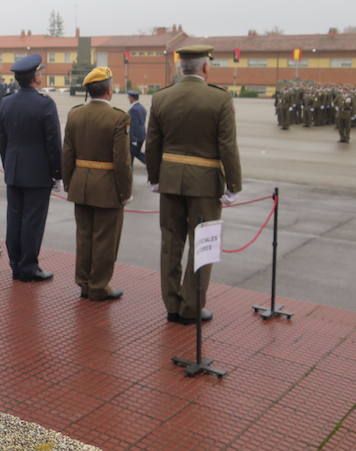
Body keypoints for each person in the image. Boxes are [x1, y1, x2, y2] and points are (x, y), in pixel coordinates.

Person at [146, 45, 242, 325]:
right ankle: (192, 307)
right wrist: (233, 184)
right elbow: (227, 145)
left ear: (180, 68)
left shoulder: (162, 97)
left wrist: (155, 177)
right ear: (205, 67)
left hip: (171, 181)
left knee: (170, 244)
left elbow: (152, 143)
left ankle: (172, 304)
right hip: (205, 184)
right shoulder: (219, 99)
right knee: (203, 244)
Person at [62, 67, 131, 300]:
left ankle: (83, 282)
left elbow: (68, 153)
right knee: (105, 239)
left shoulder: (75, 114)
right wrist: (126, 191)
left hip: (80, 184)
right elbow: (122, 161)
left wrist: (69, 183)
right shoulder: (118, 117)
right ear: (109, 90)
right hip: (107, 188)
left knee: (84, 236)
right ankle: (99, 286)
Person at [0, 54, 62, 282]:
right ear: (35, 77)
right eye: (40, 73)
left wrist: (9, 166)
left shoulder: (6, 102)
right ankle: (29, 266)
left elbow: (2, 140)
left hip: (13, 170)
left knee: (14, 218)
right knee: (33, 221)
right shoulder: (45, 104)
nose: (42, 76)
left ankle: (15, 264)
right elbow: (53, 143)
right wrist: (57, 173)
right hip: (37, 173)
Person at [127, 90, 147, 166]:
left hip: (136, 137)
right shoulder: (142, 108)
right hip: (142, 135)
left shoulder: (133, 110)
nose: (128, 99)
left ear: (132, 98)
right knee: (136, 153)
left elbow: (134, 126)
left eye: (129, 98)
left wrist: (133, 140)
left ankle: (151, 163)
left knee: (133, 153)